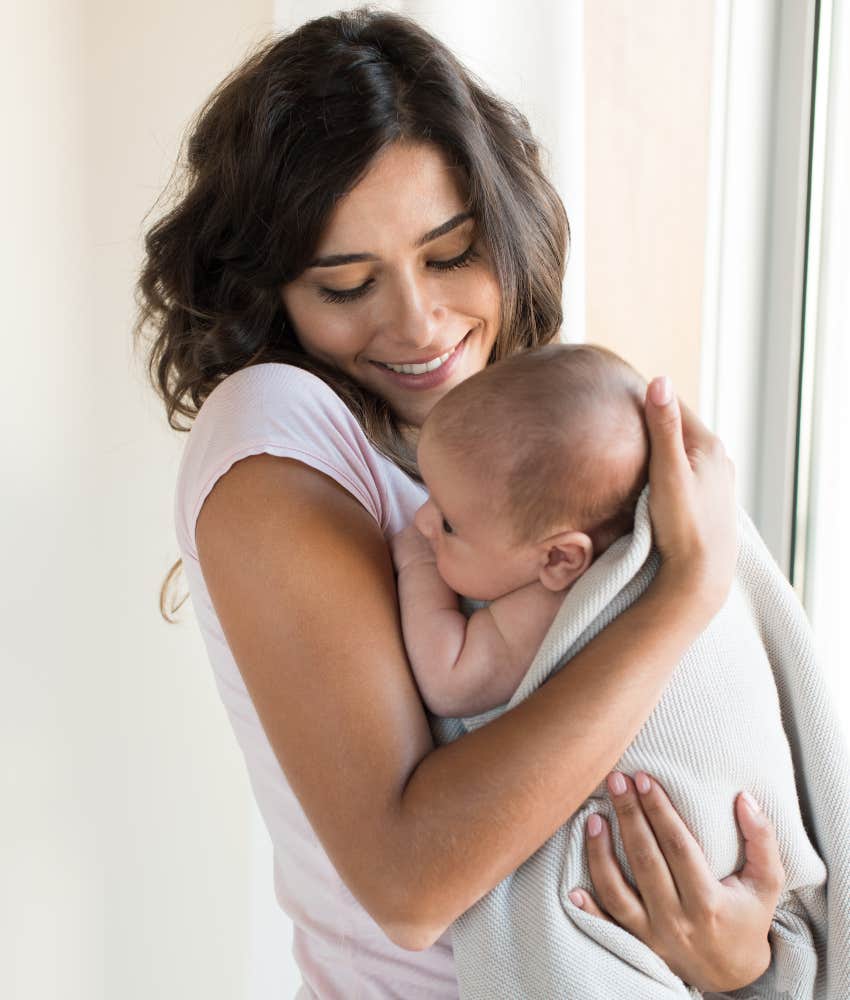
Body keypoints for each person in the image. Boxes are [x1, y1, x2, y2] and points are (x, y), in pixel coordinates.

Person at [135, 9, 786, 998]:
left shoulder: (506, 442)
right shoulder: (277, 426)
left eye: (448, 256)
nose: (419, 322)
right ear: (267, 294)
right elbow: (411, 885)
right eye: (347, 284)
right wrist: (682, 595)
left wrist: (739, 955)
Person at [392, 342, 649, 717]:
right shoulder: (554, 558)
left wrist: (419, 567)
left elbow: (450, 684)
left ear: (559, 559)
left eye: (449, 525)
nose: (421, 520)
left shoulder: (549, 607)